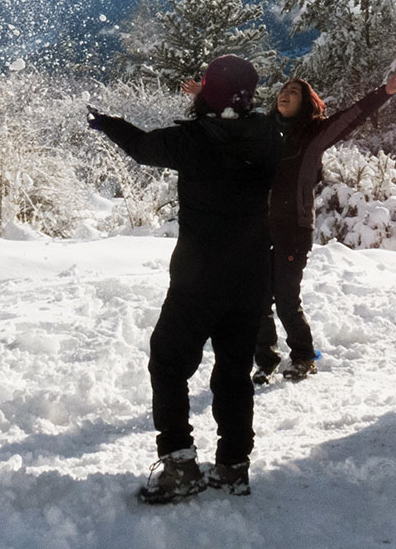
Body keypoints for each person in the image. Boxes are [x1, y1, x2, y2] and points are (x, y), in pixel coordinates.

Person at [88, 55, 284, 503]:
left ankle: (179, 464)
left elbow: (141, 147)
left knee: (168, 361)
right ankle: (234, 466)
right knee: (234, 371)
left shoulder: (191, 139)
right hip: (253, 274)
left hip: (200, 277)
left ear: (209, 94)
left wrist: (110, 123)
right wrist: (209, 95)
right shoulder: (270, 135)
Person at [244, 69, 396, 384]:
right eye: (283, 89)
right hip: (259, 229)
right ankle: (266, 361)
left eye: (294, 91)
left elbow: (352, 116)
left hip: (293, 230)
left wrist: (385, 91)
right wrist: (205, 96)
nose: (285, 93)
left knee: (285, 299)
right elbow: (228, 126)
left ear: (307, 103)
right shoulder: (262, 130)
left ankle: (304, 358)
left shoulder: (314, 133)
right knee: (256, 299)